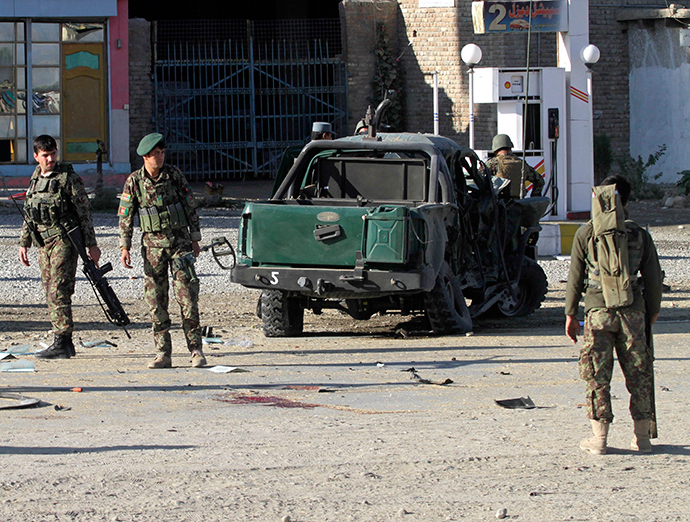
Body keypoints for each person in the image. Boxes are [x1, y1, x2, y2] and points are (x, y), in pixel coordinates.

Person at [565, 175, 662, 455]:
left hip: (597, 312)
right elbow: (653, 278)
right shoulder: (640, 234)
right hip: (633, 312)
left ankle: (599, 439)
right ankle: (642, 438)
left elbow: (574, 278)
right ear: (627, 200)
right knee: (639, 374)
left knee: (597, 374)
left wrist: (571, 313)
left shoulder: (586, 233)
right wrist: (652, 310)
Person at [119, 133, 205, 369]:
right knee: (156, 302)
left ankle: (195, 350)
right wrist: (124, 246)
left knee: (187, 298)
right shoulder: (134, 181)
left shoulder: (174, 175)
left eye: (162, 153)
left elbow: (190, 207)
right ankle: (162, 353)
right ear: (145, 156)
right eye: (156, 154)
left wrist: (195, 238)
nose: (160, 157)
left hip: (179, 245)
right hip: (152, 249)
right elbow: (126, 215)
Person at [18, 135, 101, 359]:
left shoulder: (68, 178)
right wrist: (24, 242)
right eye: (45, 155)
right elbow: (30, 213)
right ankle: (65, 341)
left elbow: (84, 214)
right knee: (49, 290)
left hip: (65, 240)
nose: (50, 159)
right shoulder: (35, 177)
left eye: (53, 153)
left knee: (59, 289)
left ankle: (61, 341)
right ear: (36, 156)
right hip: (43, 242)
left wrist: (91, 245)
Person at [485, 134, 544, 198]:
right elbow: (540, 181)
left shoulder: (492, 163)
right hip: (518, 205)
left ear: (495, 149)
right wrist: (534, 198)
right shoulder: (521, 163)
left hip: (499, 205)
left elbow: (479, 180)